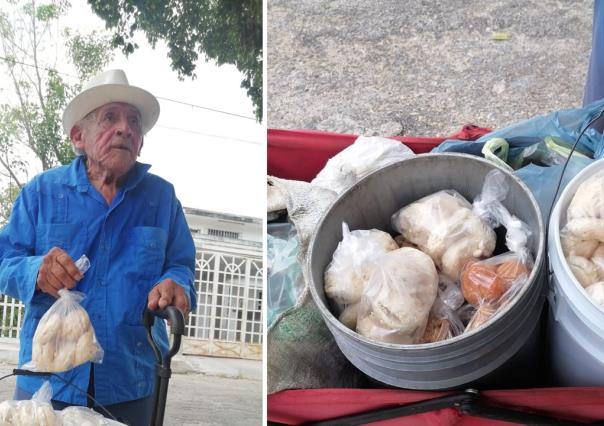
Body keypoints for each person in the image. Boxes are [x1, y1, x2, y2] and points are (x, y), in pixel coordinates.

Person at [0, 69, 196, 425]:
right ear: (79, 136)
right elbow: (3, 261)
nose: (125, 128)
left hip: (132, 381)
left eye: (134, 122)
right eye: (110, 118)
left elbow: (180, 264)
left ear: (140, 142)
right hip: (47, 379)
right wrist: (35, 271)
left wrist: (175, 284)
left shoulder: (161, 198)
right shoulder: (41, 193)